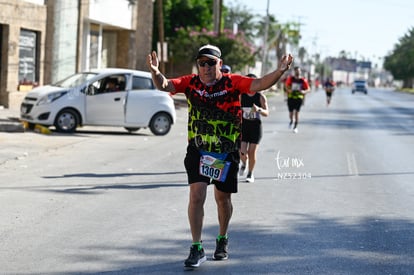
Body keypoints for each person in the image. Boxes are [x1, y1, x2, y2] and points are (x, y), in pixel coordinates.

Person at [147, 44, 293, 268]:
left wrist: (280, 71)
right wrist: (156, 72)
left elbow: (259, 83)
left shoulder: (233, 82)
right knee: (196, 196)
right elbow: (166, 84)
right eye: (201, 63)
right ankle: (196, 247)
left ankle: (222, 238)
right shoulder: (191, 83)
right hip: (198, 149)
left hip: (225, 152)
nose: (205, 67)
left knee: (222, 199)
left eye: (210, 63)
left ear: (220, 64)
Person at [239, 73, 269, 183]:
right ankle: (244, 163)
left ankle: (250, 173)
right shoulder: (242, 95)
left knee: (252, 152)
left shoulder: (260, 97)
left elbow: (267, 113)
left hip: (255, 127)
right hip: (244, 126)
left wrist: (259, 110)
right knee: (242, 152)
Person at [285, 66, 310, 133]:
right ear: (294, 72)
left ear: (300, 72)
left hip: (299, 98)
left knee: (296, 113)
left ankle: (295, 127)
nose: (298, 72)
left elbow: (308, 89)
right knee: (291, 114)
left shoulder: (303, 80)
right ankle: (291, 120)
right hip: (291, 97)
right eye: (296, 71)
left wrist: (304, 92)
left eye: (299, 71)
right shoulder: (291, 79)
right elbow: (286, 86)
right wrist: (289, 90)